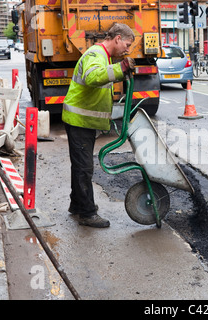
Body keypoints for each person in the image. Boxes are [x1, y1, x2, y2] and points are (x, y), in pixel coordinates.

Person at [62, 23, 136, 228]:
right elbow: (92, 77)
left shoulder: (104, 56)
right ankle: (87, 213)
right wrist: (120, 68)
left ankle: (77, 205)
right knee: (84, 168)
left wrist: (120, 71)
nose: (127, 50)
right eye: (127, 44)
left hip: (82, 121)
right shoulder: (96, 54)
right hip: (79, 121)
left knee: (80, 166)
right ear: (117, 38)